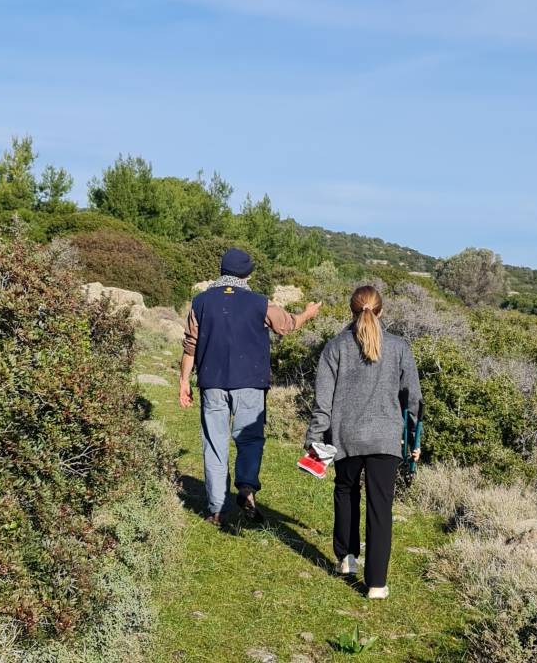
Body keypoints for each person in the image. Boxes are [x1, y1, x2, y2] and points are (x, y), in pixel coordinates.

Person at [179, 248, 322, 526]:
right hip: (251, 383)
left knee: (214, 443)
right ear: (248, 274)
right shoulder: (259, 302)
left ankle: (217, 511)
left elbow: (190, 346)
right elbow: (288, 325)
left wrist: (184, 380)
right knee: (249, 439)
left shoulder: (201, 302)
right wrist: (307, 314)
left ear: (222, 271)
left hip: (212, 382)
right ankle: (246, 487)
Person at [304, 285, 422, 599]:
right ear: (380, 311)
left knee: (345, 491)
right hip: (385, 439)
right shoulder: (399, 347)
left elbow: (323, 402)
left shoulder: (335, 347)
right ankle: (377, 584)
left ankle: (347, 558)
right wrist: (415, 439)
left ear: (351, 310)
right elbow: (413, 399)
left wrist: (314, 438)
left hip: (346, 437)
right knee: (380, 507)